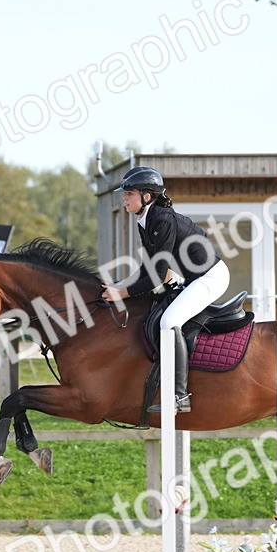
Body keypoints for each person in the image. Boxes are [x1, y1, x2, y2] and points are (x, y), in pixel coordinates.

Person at [101, 166, 229, 413]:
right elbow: (148, 267)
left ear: (146, 196)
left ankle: (179, 397)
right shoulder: (145, 220)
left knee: (169, 321)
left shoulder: (162, 219)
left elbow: (157, 275)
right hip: (190, 278)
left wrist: (123, 293)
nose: (124, 198)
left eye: (129, 193)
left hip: (210, 277)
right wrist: (122, 287)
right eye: (125, 194)